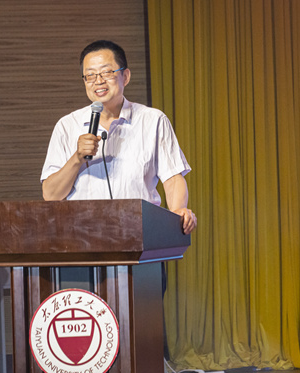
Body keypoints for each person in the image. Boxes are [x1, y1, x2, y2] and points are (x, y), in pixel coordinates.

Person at [41, 40, 197, 234]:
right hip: (82, 236)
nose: (98, 81)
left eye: (107, 72)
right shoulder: (67, 126)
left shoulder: (153, 120)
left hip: (141, 234)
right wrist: (77, 158)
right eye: (90, 75)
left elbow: (173, 178)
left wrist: (177, 212)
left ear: (126, 76)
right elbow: (51, 195)